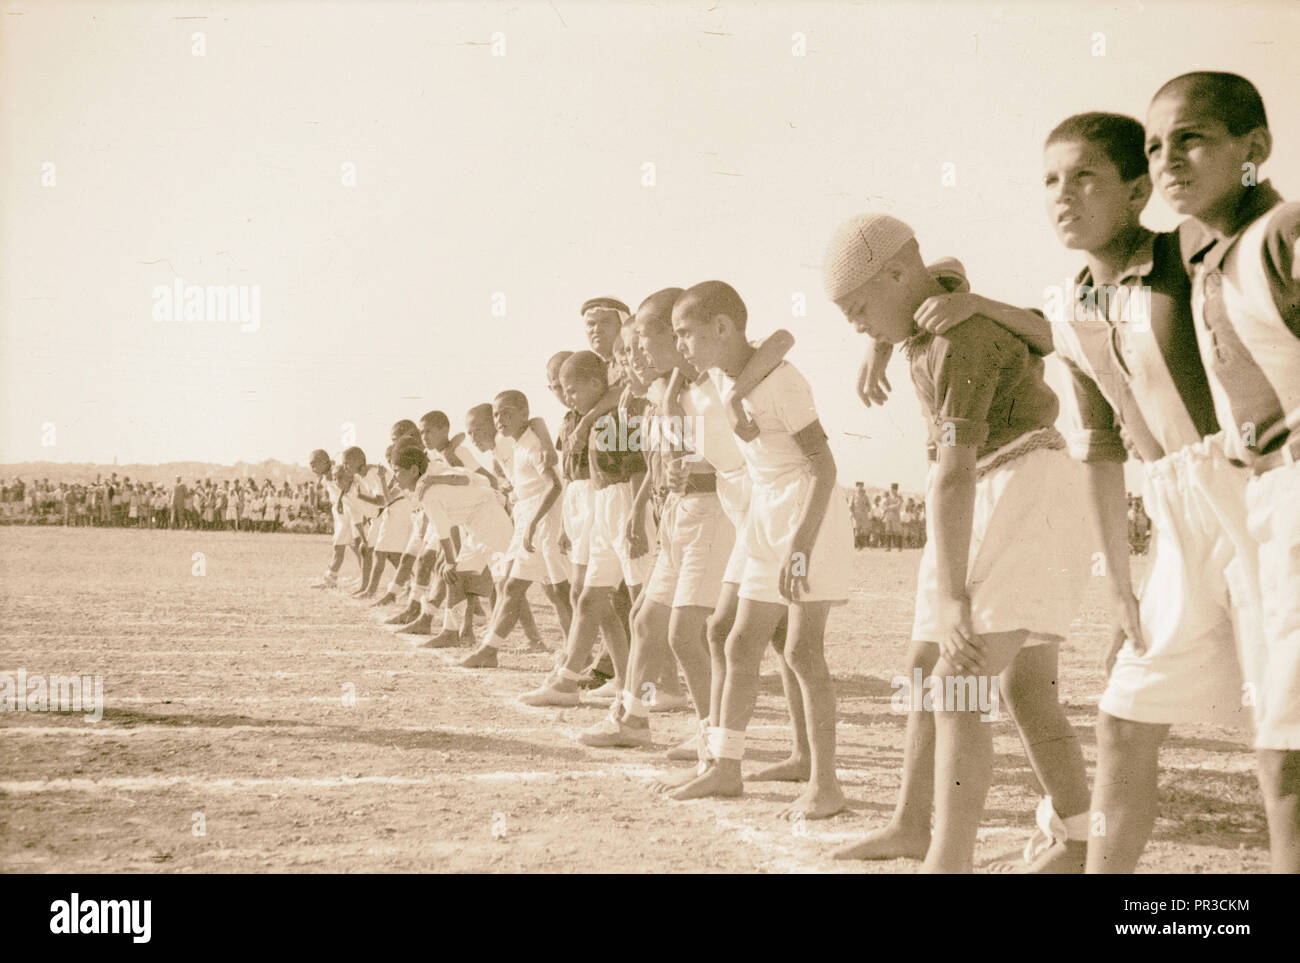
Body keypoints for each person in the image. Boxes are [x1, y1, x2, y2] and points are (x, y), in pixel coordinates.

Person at [824, 213, 1093, 871]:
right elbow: (935, 267)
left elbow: (952, 476)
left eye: (858, 309)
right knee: (994, 683)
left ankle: (949, 860)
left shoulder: (959, 336)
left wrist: (953, 601)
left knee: (960, 679)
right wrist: (880, 343)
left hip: (1024, 486)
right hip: (991, 485)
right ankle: (934, 826)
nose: (855, 323)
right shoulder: (929, 301)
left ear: (894, 276)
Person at [1146, 72, 1300, 872]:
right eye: (1154, 145)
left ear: (1256, 150)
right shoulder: (1211, 255)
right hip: (1265, 504)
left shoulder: (1284, 233)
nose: (1169, 158)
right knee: (1280, 746)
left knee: (1289, 751)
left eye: (1192, 137)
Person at [667, 280, 854, 821]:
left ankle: (826, 783)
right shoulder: (725, 377)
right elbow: (768, 345)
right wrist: (728, 397)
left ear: (722, 328)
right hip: (764, 511)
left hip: (806, 513)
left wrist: (801, 544)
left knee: (801, 652)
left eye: (687, 334)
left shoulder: (784, 384)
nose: (682, 345)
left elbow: (825, 467)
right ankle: (726, 768)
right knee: (735, 639)